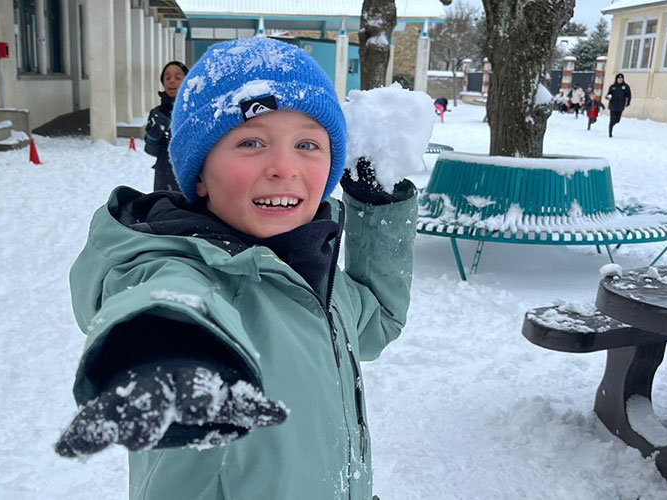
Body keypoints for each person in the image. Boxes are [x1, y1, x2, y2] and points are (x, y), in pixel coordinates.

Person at [55, 37, 417, 500]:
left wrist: (378, 206)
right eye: (251, 142)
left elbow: (376, 323)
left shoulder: (310, 270)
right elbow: (167, 298)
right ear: (200, 174)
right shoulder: (184, 267)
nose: (284, 167)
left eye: (307, 143)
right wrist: (167, 343)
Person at [145, 61, 188, 191]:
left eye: (178, 77)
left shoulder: (195, 111)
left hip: (190, 180)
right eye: (167, 78)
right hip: (164, 180)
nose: (172, 81)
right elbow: (151, 151)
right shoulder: (157, 114)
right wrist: (153, 137)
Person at [605, 73, 632, 138]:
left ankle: (612, 124)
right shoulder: (613, 86)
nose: (620, 80)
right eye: (619, 78)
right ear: (616, 79)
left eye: (621, 78)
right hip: (613, 105)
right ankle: (610, 133)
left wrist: (628, 102)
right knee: (612, 120)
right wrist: (608, 97)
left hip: (620, 105)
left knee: (617, 120)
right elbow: (609, 94)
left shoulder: (626, 87)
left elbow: (629, 95)